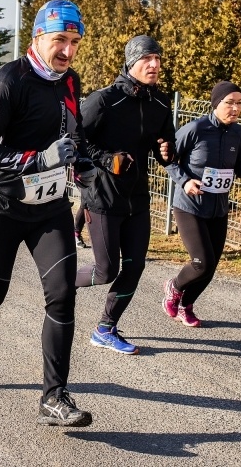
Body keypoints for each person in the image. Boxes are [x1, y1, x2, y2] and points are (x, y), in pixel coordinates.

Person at [0, 0, 94, 427]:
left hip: (49, 209)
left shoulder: (70, 81)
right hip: (3, 207)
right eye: (60, 40)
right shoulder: (9, 80)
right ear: (38, 37)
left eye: (75, 42)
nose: (67, 51)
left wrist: (84, 164)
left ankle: (54, 396)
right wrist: (38, 159)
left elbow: (74, 135)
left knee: (62, 295)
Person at [74, 35, 176, 355]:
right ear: (131, 63)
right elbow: (75, 141)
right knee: (106, 270)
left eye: (158, 59)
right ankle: (61, 279)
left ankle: (105, 328)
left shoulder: (161, 103)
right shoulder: (104, 100)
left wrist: (167, 153)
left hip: (137, 199)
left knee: (134, 268)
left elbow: (165, 148)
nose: (155, 64)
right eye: (147, 59)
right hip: (103, 198)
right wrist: (107, 160)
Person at [163, 81, 241, 327]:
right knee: (201, 262)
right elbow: (168, 160)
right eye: (230, 103)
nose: (236, 109)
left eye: (240, 103)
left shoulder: (238, 133)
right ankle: (174, 287)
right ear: (216, 103)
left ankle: (186, 305)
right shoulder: (195, 129)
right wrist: (185, 181)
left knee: (211, 266)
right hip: (190, 206)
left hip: (218, 208)